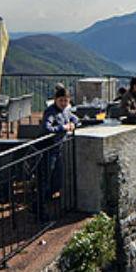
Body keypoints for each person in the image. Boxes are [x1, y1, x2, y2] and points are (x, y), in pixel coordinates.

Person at [39, 86, 79, 219]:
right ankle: (40, 207)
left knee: (57, 179)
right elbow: (46, 128)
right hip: (49, 149)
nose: (64, 103)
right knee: (46, 178)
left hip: (59, 149)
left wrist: (73, 124)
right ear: (55, 100)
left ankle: (46, 202)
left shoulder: (66, 111)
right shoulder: (50, 112)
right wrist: (63, 127)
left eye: (66, 101)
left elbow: (75, 119)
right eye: (61, 100)